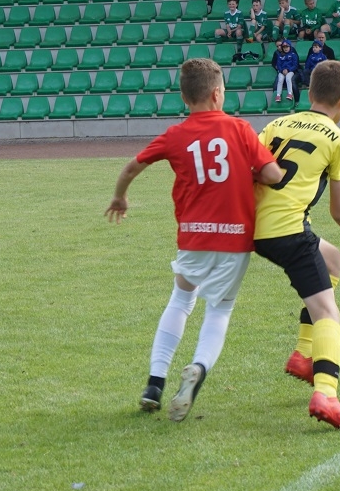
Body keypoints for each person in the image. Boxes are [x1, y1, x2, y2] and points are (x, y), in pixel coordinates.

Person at [104, 58, 282, 422]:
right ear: (217, 93)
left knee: (181, 300)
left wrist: (120, 197)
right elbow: (272, 175)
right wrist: (252, 173)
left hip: (194, 237)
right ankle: (198, 367)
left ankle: (155, 382)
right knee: (219, 310)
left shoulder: (176, 134)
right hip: (235, 238)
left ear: (185, 98)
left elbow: (131, 167)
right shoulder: (239, 129)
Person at [254, 60, 340, 430]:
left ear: (309, 92)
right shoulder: (337, 138)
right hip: (287, 233)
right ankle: (326, 395)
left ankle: (304, 355)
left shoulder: (277, 124)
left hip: (256, 226)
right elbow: (339, 209)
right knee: (328, 313)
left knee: (332, 260)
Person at [273, 38, 299, 102]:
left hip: (292, 71)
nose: (279, 47)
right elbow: (276, 64)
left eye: (280, 45)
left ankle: (295, 98)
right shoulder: (278, 54)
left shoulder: (293, 53)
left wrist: (288, 70)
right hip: (282, 71)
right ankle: (278, 96)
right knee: (278, 81)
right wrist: (281, 70)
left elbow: (296, 64)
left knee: (291, 80)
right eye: (277, 46)